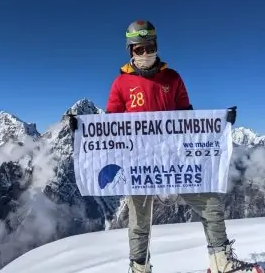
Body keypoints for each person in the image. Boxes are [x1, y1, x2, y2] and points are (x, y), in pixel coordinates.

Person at [68, 20, 264, 273]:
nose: (146, 53)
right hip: (137, 162)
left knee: (210, 203)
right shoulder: (120, 84)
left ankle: (221, 262)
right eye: (139, 49)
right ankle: (139, 268)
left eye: (150, 47)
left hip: (175, 160)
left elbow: (188, 119)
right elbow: (110, 125)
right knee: (139, 220)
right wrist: (83, 130)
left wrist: (220, 124)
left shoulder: (173, 78)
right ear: (130, 51)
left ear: (156, 46)